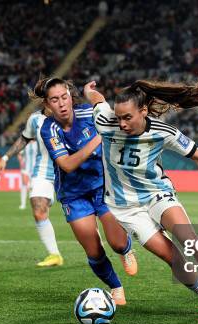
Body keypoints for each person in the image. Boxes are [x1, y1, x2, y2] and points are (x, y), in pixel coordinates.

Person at [84, 78, 198, 319]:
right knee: (171, 256)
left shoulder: (163, 132)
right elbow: (98, 101)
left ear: (143, 111)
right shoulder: (104, 121)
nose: (121, 124)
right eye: (118, 117)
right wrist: (88, 91)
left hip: (157, 194)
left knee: (189, 238)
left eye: (127, 117)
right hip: (125, 207)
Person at [35, 77, 138, 305]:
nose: (61, 103)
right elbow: (68, 165)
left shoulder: (86, 113)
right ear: (48, 104)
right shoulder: (48, 128)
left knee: (118, 243)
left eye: (64, 97)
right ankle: (116, 287)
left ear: (70, 96)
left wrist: (90, 92)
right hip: (74, 194)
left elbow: (100, 102)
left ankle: (126, 250)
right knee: (93, 251)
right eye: (55, 100)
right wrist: (97, 139)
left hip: (102, 185)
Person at [0, 109, 64, 267]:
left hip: (70, 170)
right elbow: (24, 138)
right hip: (43, 170)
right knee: (38, 208)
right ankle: (54, 254)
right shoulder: (35, 119)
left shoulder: (70, 113)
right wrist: (5, 158)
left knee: (83, 218)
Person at [16, 139, 36, 210]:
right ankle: (23, 204)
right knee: (24, 184)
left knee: (32, 186)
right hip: (25, 167)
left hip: (35, 168)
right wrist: (21, 161)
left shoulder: (37, 143)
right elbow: (19, 154)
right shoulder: (24, 144)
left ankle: (33, 204)